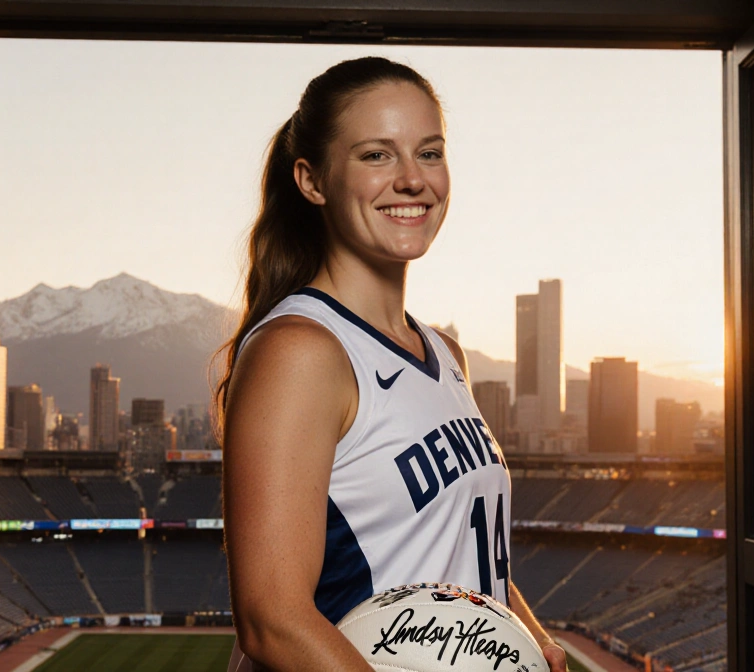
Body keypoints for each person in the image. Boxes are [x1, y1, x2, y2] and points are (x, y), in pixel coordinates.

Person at [216, 56, 568, 672]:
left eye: (429, 153)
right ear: (312, 180)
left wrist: (535, 641)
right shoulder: (301, 351)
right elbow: (270, 619)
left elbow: (456, 554)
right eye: (377, 155)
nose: (412, 179)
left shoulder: (444, 353)